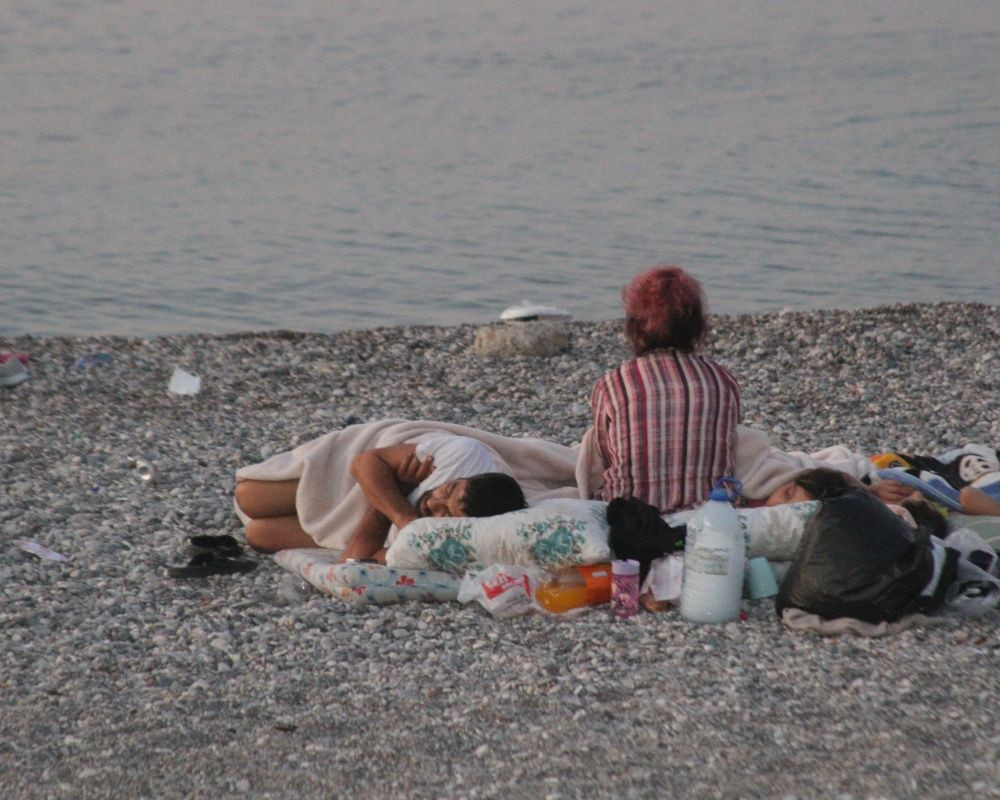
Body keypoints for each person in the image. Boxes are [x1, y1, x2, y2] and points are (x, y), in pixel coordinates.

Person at [590, 266, 741, 513]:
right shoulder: (722, 380)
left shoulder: (613, 384)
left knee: (591, 444)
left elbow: (608, 457)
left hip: (631, 517)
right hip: (709, 512)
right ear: (697, 326)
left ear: (634, 326)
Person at [235, 434, 526, 562]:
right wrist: (403, 517)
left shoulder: (447, 544)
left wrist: (394, 496)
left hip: (358, 525)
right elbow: (365, 461)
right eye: (447, 491)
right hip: (349, 486)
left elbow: (354, 562)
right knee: (249, 496)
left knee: (258, 535)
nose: (432, 503)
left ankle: (317, 522)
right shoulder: (464, 455)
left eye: (445, 515)